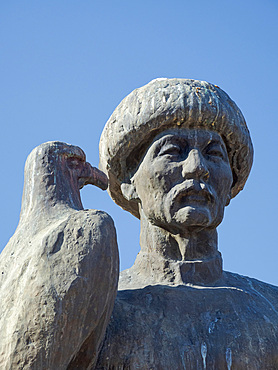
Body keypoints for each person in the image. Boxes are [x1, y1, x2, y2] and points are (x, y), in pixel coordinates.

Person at [93, 79, 278, 369]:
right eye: (172, 151)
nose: (197, 167)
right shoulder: (98, 309)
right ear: (129, 181)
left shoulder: (272, 309)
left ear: (231, 183)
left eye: (213, 153)